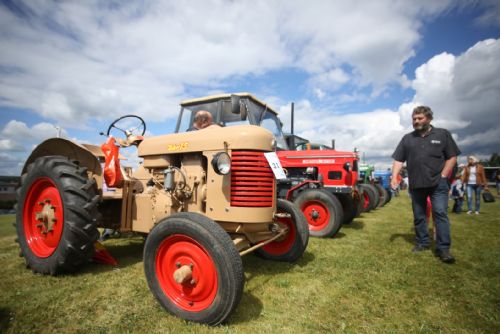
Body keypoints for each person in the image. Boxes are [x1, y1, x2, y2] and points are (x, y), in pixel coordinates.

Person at [391, 105, 460, 264]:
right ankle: (422, 243)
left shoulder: (442, 134)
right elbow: (399, 159)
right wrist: (395, 176)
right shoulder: (407, 138)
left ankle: (443, 249)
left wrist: (443, 176)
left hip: (438, 184)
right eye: (414, 119)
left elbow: (452, 157)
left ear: (429, 118)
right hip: (416, 185)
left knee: (440, 213)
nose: (416, 121)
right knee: (419, 216)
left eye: (419, 118)